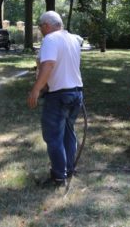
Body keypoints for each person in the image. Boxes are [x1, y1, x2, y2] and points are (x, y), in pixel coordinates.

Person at [27, 11, 83, 188]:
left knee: (53, 137)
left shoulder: (50, 39)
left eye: (41, 27)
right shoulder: (73, 39)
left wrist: (36, 90)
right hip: (76, 93)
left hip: (59, 95)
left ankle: (59, 177)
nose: (41, 30)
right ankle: (68, 169)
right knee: (68, 133)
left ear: (47, 25)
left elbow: (49, 65)